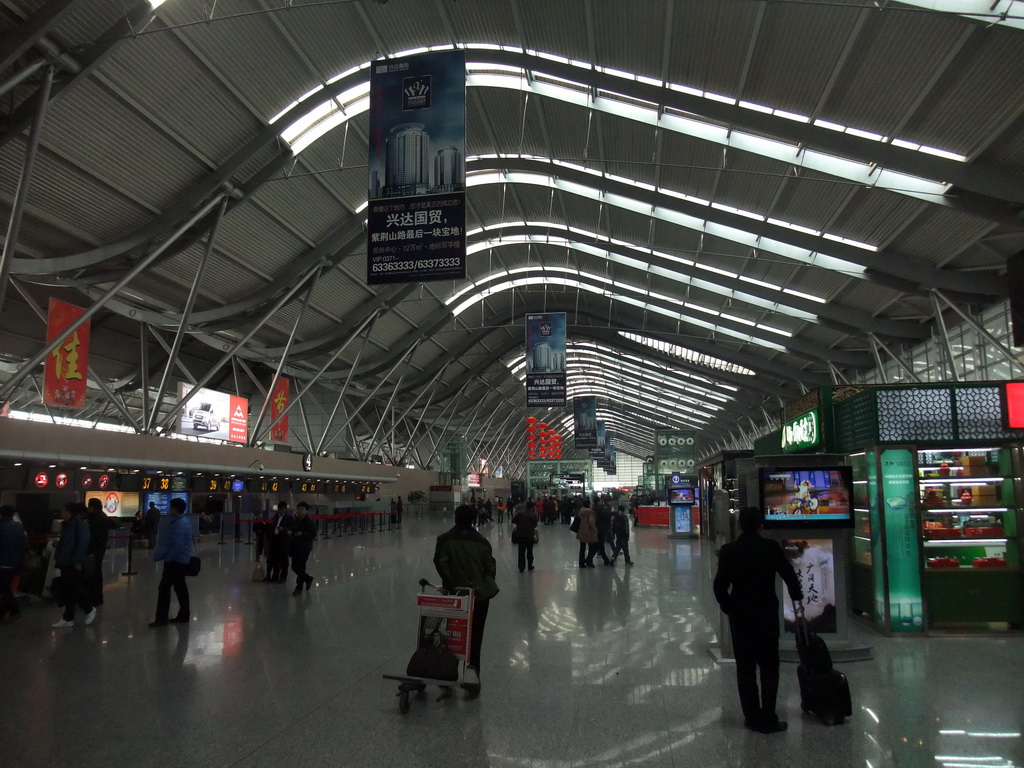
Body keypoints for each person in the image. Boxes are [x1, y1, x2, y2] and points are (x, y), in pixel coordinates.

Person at [713, 506, 803, 734]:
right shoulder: (770, 548)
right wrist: (796, 595)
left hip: (740, 616)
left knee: (745, 668)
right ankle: (769, 715)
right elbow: (787, 573)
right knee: (769, 666)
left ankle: (752, 717)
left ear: (740, 525)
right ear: (761, 525)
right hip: (766, 614)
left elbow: (719, 586)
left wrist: (728, 607)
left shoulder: (729, 551)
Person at [433, 504, 498, 693]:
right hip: (478, 597)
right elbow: (490, 569)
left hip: (455, 596)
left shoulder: (444, 539)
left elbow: (440, 561)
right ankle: (472, 676)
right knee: (475, 636)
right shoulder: (482, 542)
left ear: (455, 518)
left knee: (452, 633)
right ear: (473, 519)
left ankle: (449, 671)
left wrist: (449, 583)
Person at [149, 497, 192, 627]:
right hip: (181, 560)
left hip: (174, 562)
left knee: (164, 588)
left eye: (171, 507)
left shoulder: (178, 524)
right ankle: (184, 615)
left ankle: (161, 618)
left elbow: (177, 545)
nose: (169, 509)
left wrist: (168, 558)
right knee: (180, 588)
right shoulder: (183, 522)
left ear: (176, 509)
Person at [52, 502, 96, 628]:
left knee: (73, 589)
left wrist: (77, 560)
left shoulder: (79, 524)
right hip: (66, 561)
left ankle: (88, 609)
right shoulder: (69, 525)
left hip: (72, 561)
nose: (62, 513)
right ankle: (68, 617)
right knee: (69, 589)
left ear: (69, 512)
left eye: (63, 510)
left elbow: (82, 543)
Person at [0, 504, 27, 622]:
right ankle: (5, 613)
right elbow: (25, 543)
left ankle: (14, 612)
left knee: (4, 590)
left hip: (3, 562)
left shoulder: (1, 527)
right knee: (6, 588)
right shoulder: (19, 526)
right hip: (15, 562)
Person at [85, 497, 110, 606]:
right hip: (99, 550)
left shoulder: (95, 519)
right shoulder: (102, 517)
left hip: (94, 551)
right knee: (97, 573)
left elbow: (94, 536)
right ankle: (97, 597)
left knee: (93, 574)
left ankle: (93, 597)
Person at [287, 501, 316, 595]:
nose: (300, 511)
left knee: (300, 566)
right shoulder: (295, 520)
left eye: (302, 509)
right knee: (295, 567)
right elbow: (292, 529)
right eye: (298, 509)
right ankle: (307, 578)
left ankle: (299, 587)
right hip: (295, 547)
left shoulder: (310, 521)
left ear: (306, 510)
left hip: (304, 547)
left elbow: (313, 534)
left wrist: (302, 534)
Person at [266, 501, 292, 583]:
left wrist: (283, 529)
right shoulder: (276, 516)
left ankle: (283, 577)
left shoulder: (289, 518)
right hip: (275, 540)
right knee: (275, 559)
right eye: (279, 510)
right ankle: (275, 575)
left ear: (285, 509)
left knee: (284, 560)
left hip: (283, 541)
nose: (279, 511)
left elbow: (291, 529)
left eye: (281, 510)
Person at [510, 500, 539, 573]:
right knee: (530, 551)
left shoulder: (520, 513)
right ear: (532, 507)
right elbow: (535, 525)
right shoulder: (534, 515)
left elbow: (513, 520)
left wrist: (519, 523)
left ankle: (521, 567)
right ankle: (530, 566)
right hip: (530, 535)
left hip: (521, 535)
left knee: (521, 552)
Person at [574, 502, 601, 568]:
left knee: (582, 548)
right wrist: (595, 530)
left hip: (581, 531)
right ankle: (589, 561)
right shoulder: (590, 512)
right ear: (589, 505)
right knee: (592, 547)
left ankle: (581, 563)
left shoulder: (581, 511)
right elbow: (591, 522)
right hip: (589, 532)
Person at [594, 499, 614, 566]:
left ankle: (602, 557)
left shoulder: (596, 508)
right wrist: (616, 513)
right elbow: (607, 514)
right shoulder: (601, 509)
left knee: (599, 543)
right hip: (602, 527)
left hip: (599, 527)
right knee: (601, 543)